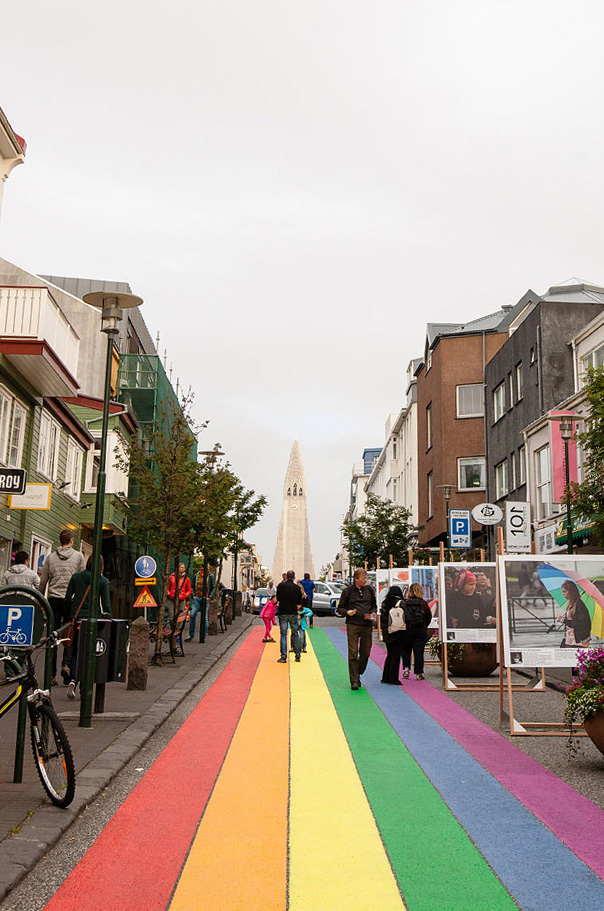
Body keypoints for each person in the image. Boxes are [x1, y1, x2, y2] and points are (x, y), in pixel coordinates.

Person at [38, 529, 86, 685]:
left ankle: (50, 674)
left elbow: (43, 580)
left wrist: (40, 599)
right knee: (69, 633)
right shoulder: (79, 557)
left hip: (53, 599)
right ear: (71, 540)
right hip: (71, 600)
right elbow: (81, 579)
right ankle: (66, 666)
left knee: (53, 634)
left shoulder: (51, 557)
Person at [64, 555, 111, 700]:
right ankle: (85, 687)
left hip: (77, 619)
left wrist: (69, 617)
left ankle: (73, 679)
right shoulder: (102, 581)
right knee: (90, 654)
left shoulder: (76, 577)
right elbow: (107, 604)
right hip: (92, 620)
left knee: (76, 652)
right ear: (101, 566)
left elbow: (67, 598)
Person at [338, 568, 377, 690]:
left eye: (366, 578)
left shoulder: (369, 590)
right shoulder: (347, 591)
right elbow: (340, 608)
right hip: (353, 624)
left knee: (365, 652)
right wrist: (347, 612)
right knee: (353, 652)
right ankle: (354, 680)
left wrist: (373, 613)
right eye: (363, 578)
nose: (365, 580)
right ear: (356, 579)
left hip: (367, 624)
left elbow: (374, 605)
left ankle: (359, 670)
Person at [400, 582, 433, 680]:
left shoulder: (404, 603)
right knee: (419, 652)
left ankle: (406, 669)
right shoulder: (423, 603)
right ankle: (418, 673)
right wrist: (424, 626)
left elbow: (402, 617)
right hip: (420, 630)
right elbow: (428, 616)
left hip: (407, 629)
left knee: (406, 650)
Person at [380, 585, 405, 685]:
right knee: (396, 655)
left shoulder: (385, 603)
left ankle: (385, 677)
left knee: (390, 654)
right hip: (398, 631)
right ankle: (393, 678)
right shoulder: (401, 603)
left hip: (387, 631)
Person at [276, 570, 302, 662]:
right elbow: (299, 602)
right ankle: (297, 655)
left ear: (286, 577)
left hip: (283, 612)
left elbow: (278, 598)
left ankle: (283, 656)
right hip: (293, 612)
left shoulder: (280, 586)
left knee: (283, 634)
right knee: (295, 634)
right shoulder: (297, 588)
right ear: (294, 577)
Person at [557, 580, 591, 647]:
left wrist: (563, 620)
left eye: (564, 591)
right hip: (569, 639)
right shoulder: (570, 605)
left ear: (571, 592)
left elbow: (579, 623)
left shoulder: (579, 605)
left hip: (579, 640)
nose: (562, 594)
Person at [186, 567, 206, 642]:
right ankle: (191, 634)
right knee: (192, 615)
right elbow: (192, 585)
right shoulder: (196, 575)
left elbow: (213, 586)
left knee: (205, 618)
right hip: (197, 597)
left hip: (205, 598)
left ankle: (203, 636)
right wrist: (193, 595)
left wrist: (209, 597)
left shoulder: (209, 576)